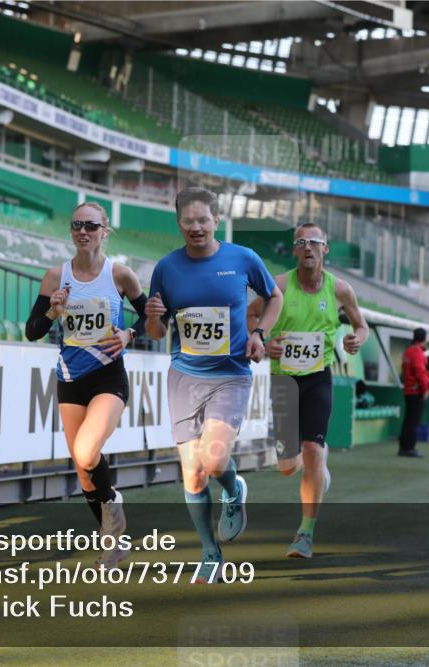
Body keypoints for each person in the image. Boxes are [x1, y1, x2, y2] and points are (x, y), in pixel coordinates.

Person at [146, 187, 283, 582]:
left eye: (203, 220)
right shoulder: (167, 268)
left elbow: (273, 297)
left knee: (215, 460)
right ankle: (210, 551)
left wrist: (259, 333)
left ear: (217, 220)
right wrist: (154, 316)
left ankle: (233, 489)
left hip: (230, 375)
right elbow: (156, 332)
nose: (196, 227)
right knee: (192, 474)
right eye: (188, 221)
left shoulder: (242, 259)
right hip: (184, 377)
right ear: (178, 223)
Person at [25, 202, 147, 568]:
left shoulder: (120, 275)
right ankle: (113, 543)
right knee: (84, 471)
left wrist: (128, 334)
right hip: (70, 379)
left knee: (86, 449)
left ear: (104, 230)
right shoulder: (55, 277)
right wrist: (51, 311)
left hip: (108, 376)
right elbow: (32, 332)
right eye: (77, 224)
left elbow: (154, 317)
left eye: (91, 225)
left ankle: (114, 513)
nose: (83, 231)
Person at [247, 222, 368, 559]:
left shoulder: (341, 289)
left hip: (318, 377)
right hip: (284, 381)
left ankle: (304, 534)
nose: (309, 248)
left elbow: (361, 324)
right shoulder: (280, 286)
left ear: (325, 249)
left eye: (315, 242)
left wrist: (357, 339)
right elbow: (251, 315)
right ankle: (315, 467)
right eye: (302, 242)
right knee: (288, 465)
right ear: (295, 250)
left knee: (313, 449)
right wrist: (263, 340)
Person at [399, 327, 429, 458]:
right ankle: (409, 448)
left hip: (408, 390)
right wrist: (425, 389)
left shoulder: (408, 351)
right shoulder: (418, 353)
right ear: (424, 339)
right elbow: (421, 373)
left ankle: (403, 447)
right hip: (416, 391)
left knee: (408, 420)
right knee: (413, 421)